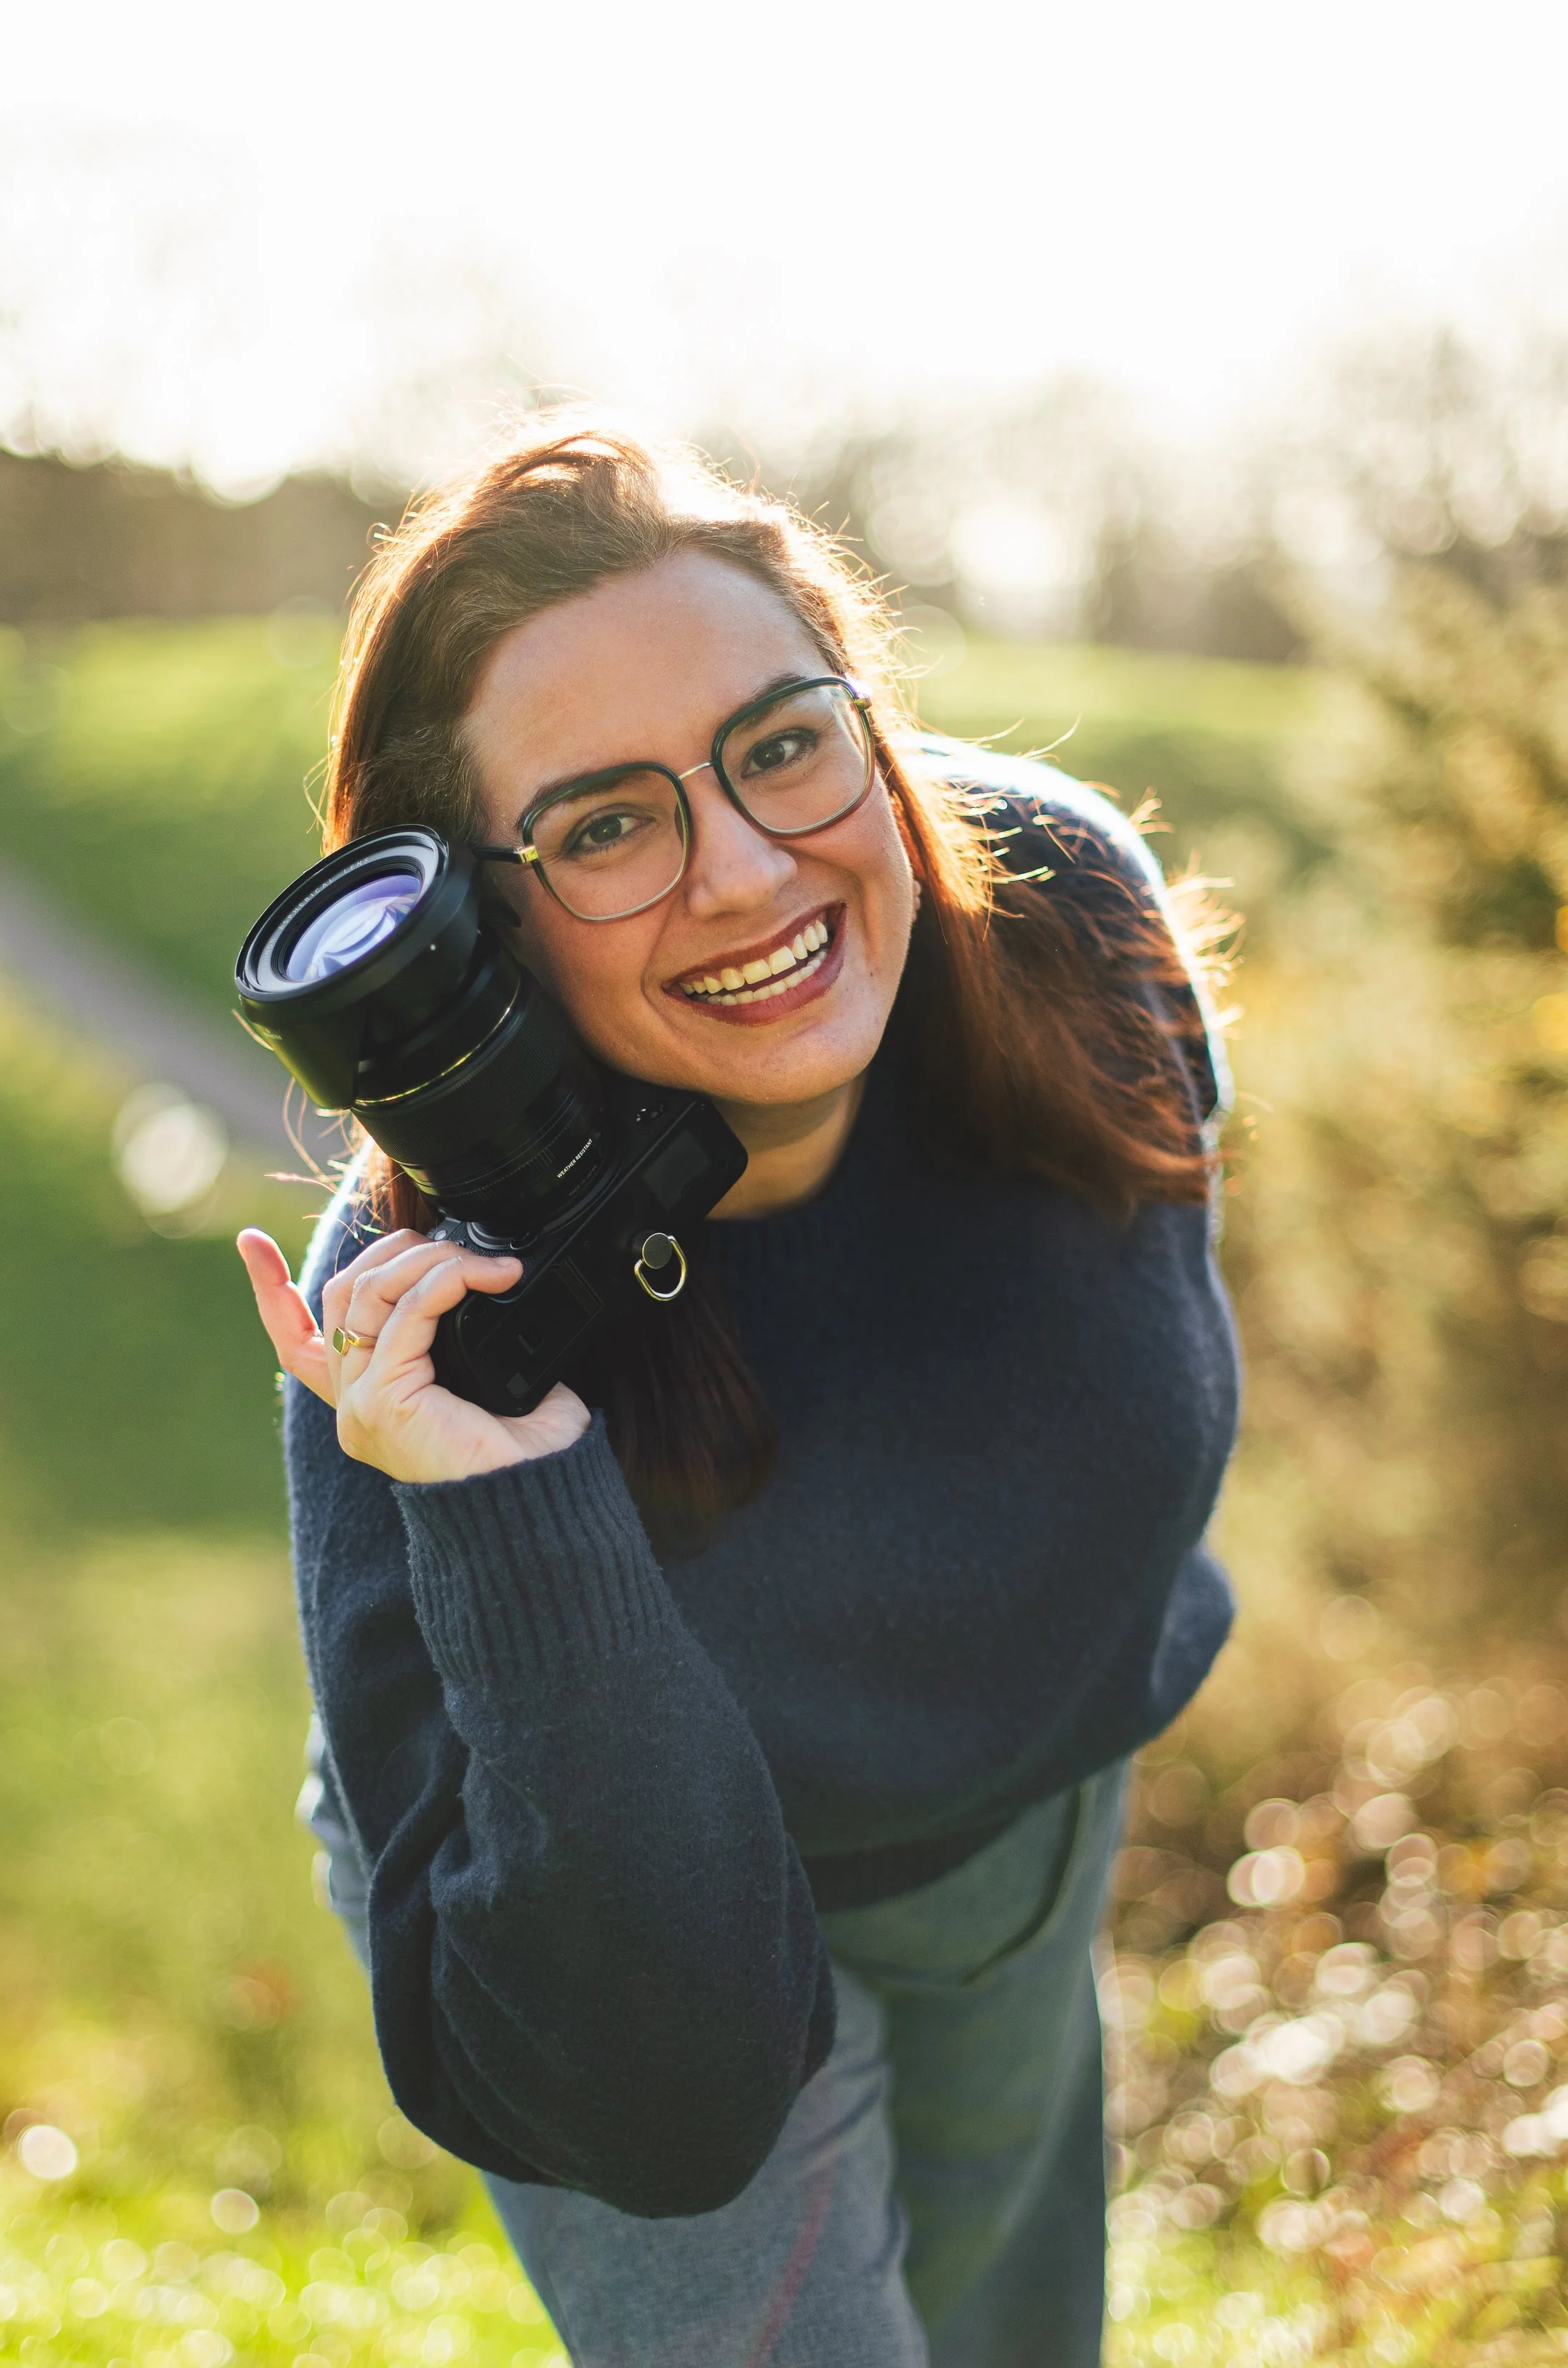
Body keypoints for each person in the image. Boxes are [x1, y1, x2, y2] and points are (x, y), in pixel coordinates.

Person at [237, 419, 1240, 2367]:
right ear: (468, 914)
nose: (750, 872)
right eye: (605, 823)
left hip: (1010, 1824)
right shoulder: (421, 1334)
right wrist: (507, 1498)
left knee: (1018, 2326)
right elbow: (653, 2091)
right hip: (605, 1894)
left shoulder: (1063, 911)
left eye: (783, 742)